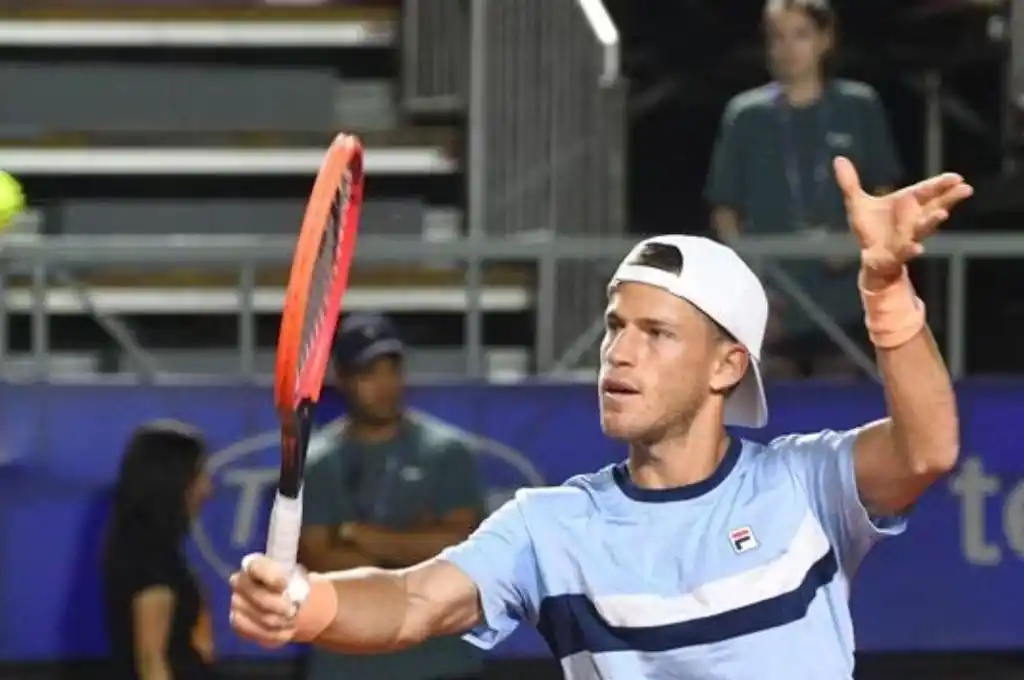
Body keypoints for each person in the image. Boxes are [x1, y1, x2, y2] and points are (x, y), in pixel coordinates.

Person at [228, 159, 972, 679]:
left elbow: (927, 451)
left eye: (657, 334)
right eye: (617, 326)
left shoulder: (804, 485)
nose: (618, 353)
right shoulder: (550, 530)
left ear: (726, 366)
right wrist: (306, 600)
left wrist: (886, 291)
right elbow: (415, 601)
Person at [706, 0, 903, 378]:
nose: (787, 48)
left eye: (800, 35)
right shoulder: (745, 115)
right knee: (771, 418)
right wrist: (750, 274)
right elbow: (724, 208)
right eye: (777, 37)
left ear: (825, 40)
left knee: (840, 412)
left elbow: (882, 192)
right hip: (771, 302)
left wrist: (855, 242)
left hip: (843, 297)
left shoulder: (858, 106)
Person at [297, 313, 486, 680]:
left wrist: (357, 535)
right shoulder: (318, 463)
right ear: (342, 378)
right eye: (370, 373)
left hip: (439, 663)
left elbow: (463, 552)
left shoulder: (446, 452)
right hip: (346, 667)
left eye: (392, 370)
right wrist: (416, 547)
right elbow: (319, 563)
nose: (385, 385)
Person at [103, 420, 215, 680]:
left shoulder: (149, 548)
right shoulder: (150, 560)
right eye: (199, 475)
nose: (208, 489)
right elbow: (152, 661)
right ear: (173, 480)